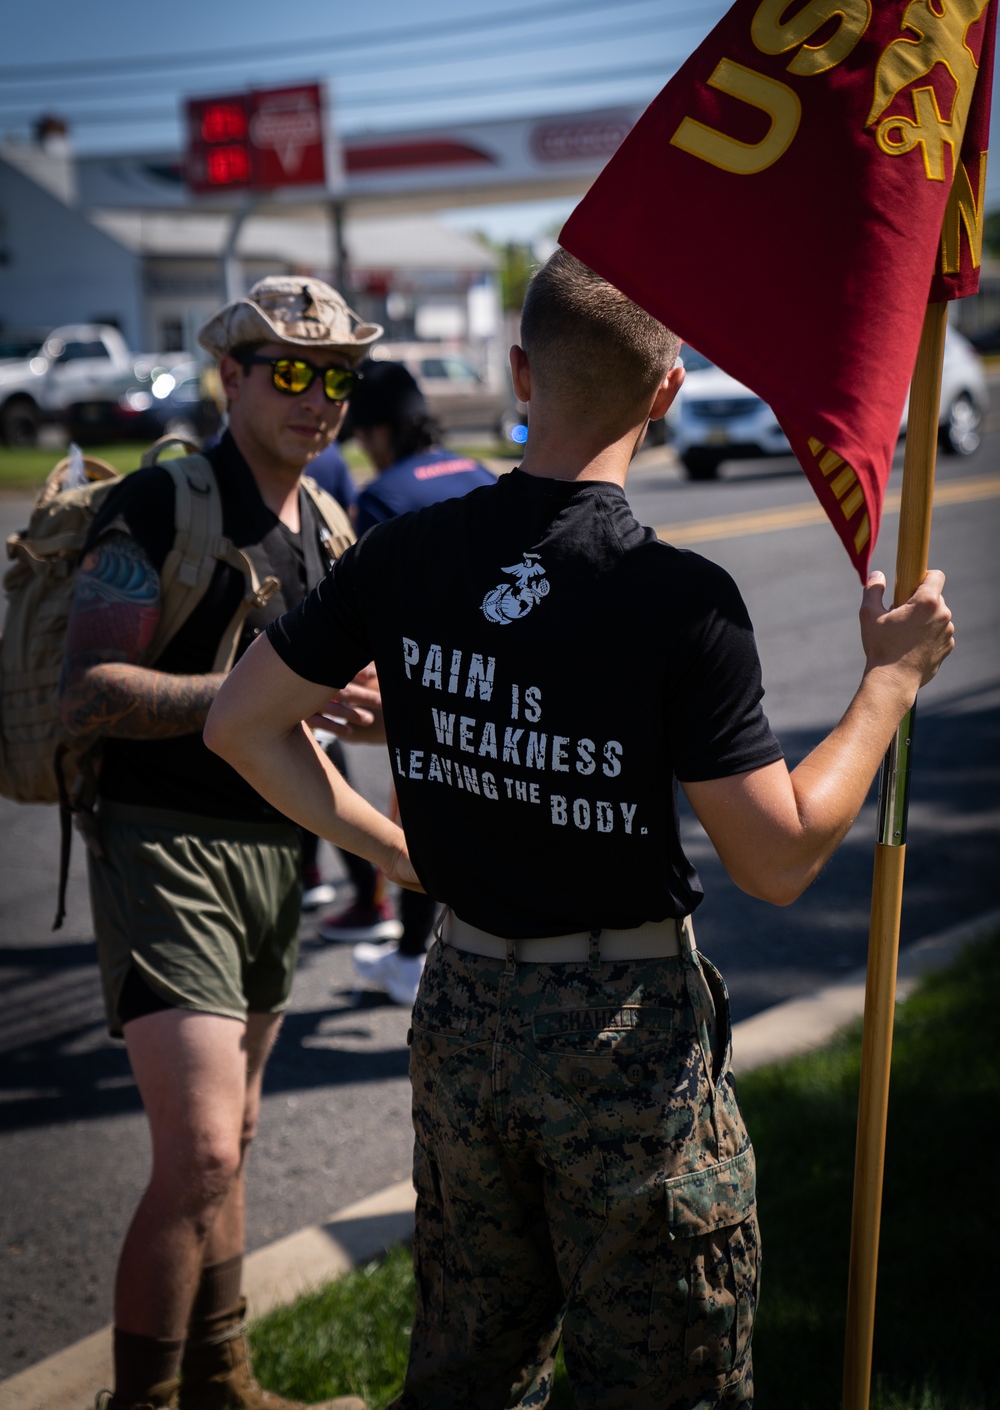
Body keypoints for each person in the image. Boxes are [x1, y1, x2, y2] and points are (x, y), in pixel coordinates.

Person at [204, 249, 955, 1409]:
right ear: (665, 392)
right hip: (621, 1040)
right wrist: (888, 688)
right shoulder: (677, 597)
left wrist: (388, 850)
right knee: (661, 1381)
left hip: (457, 1010)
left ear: (517, 375)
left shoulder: (408, 553)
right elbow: (778, 856)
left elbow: (241, 726)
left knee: (468, 1365)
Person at [59, 274, 387, 1410]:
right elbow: (88, 688)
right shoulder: (159, 508)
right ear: (230, 376)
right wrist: (245, 701)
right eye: (291, 371)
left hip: (274, 853)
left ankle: (226, 1384)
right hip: (162, 847)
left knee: (236, 1137)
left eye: (338, 375)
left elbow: (336, 701)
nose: (319, 397)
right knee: (198, 1153)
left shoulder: (330, 526)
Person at [316, 359, 495, 1009]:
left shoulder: (384, 496)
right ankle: (419, 951)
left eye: (363, 435)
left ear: (382, 430)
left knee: (414, 821)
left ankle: (413, 959)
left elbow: (364, 609)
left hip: (429, 677)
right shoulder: (477, 471)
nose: (362, 449)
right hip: (500, 678)